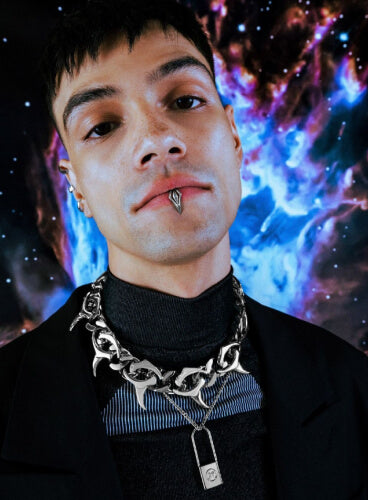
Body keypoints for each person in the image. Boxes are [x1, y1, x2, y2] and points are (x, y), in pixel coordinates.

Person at [0, 0, 367, 498]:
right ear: (76, 187)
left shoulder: (352, 387)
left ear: (234, 137)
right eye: (102, 126)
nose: (158, 140)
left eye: (184, 100)